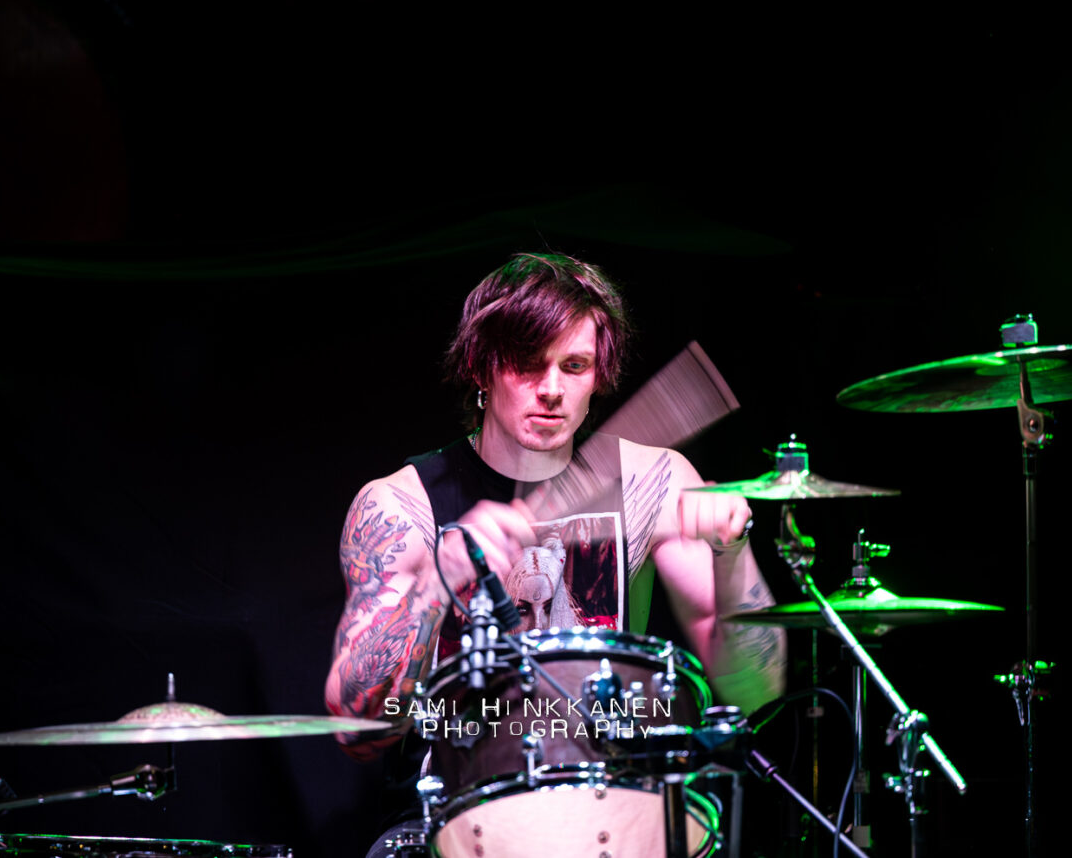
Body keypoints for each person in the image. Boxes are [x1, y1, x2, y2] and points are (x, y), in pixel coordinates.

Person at [323, 252, 786, 850]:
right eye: (526, 363)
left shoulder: (653, 483)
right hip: (450, 823)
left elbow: (755, 691)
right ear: (480, 366)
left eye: (574, 366)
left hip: (610, 812)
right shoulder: (402, 505)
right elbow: (357, 729)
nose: (551, 390)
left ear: (599, 375)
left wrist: (731, 551)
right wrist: (438, 582)